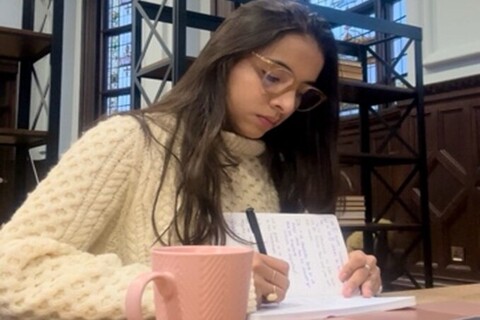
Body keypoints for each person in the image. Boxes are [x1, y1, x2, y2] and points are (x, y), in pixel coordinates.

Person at [0, 0, 382, 319]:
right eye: (272, 77)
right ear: (225, 59)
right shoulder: (129, 141)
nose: (286, 104)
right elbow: (10, 270)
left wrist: (344, 276)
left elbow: (270, 288)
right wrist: (187, 286)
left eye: (302, 93)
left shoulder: (273, 165)